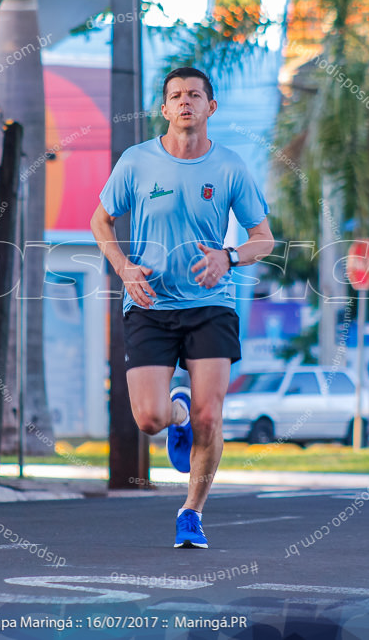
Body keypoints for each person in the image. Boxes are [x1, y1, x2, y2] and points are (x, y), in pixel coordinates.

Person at [90, 67, 274, 548]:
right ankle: (178, 411)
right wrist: (123, 267)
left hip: (210, 305)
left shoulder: (230, 166)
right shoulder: (136, 162)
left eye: (195, 94)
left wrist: (228, 257)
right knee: (148, 418)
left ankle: (191, 512)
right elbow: (100, 221)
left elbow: (264, 240)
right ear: (166, 109)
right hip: (149, 302)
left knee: (211, 416)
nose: (185, 102)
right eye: (176, 96)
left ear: (211, 107)